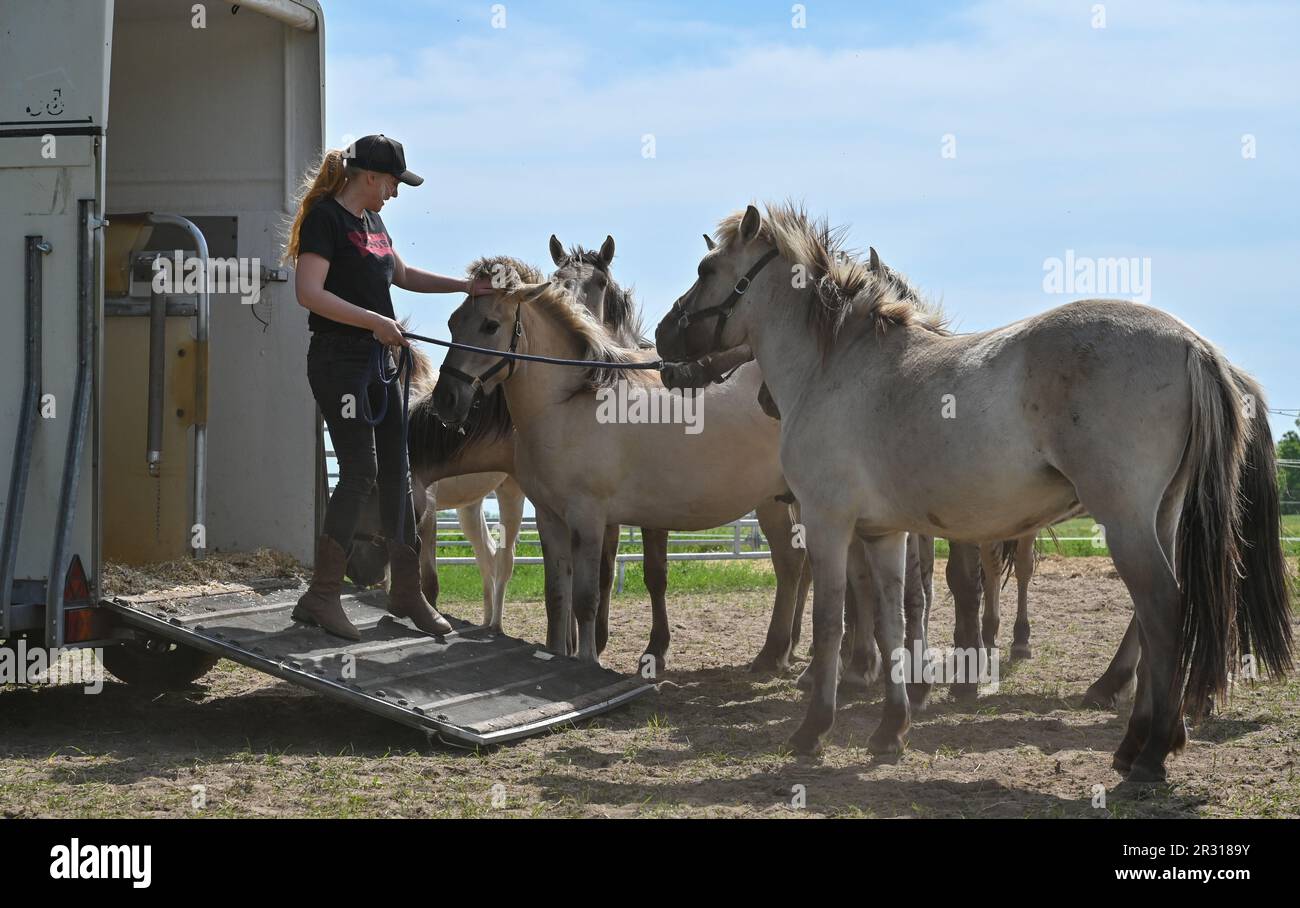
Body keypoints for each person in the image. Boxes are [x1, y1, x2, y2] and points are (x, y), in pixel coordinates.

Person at [281, 134, 492, 640]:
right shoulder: (325, 220)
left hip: (381, 362)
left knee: (398, 473)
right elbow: (309, 293)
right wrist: (374, 321)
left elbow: (400, 273)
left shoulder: (373, 222)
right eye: (394, 182)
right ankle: (322, 595)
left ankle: (406, 591)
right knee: (359, 473)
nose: (395, 194)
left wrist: (465, 287)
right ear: (371, 176)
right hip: (340, 362)